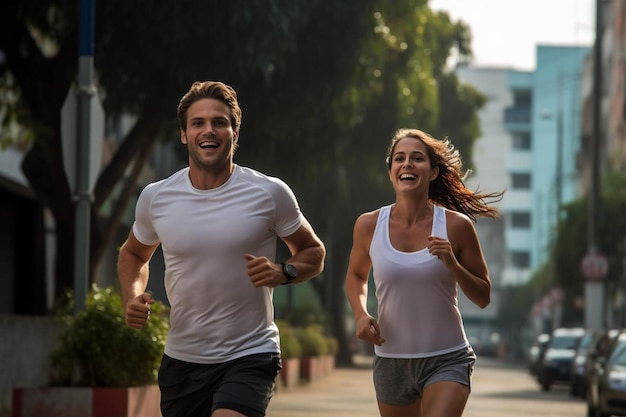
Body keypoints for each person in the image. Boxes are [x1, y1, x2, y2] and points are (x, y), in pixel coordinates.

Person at [117, 80, 326, 417]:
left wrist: (283, 271)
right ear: (184, 134)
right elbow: (133, 254)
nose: (208, 130)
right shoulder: (156, 197)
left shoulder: (269, 193)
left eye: (219, 122)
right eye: (197, 123)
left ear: (235, 132)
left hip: (250, 353)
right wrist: (131, 295)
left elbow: (313, 252)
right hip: (182, 360)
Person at [345, 128, 503, 417]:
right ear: (391, 171)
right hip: (391, 359)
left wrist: (453, 265)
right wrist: (360, 314)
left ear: (432, 172)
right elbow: (356, 276)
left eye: (417, 158)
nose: (407, 164)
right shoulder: (368, 225)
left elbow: (483, 296)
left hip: (447, 358)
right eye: (399, 159)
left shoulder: (457, 226)